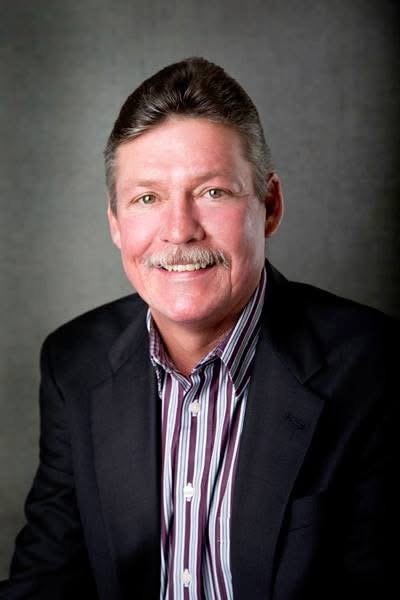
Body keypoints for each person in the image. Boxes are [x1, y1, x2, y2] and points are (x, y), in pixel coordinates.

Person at [0, 57, 396, 600]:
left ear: (270, 205)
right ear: (115, 223)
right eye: (147, 198)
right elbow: (48, 578)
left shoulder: (375, 365)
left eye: (213, 192)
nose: (180, 230)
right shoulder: (74, 363)